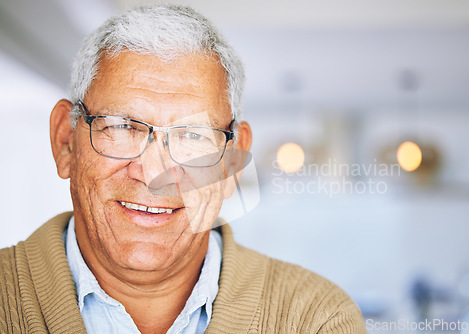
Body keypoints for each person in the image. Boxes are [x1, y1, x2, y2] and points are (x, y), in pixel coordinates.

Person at [0, 4, 366, 334]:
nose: (152, 173)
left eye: (193, 135)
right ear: (65, 141)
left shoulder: (315, 319)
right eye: (123, 126)